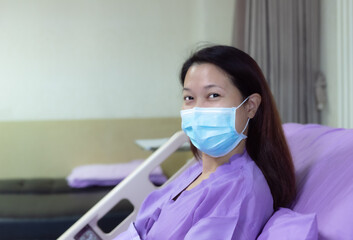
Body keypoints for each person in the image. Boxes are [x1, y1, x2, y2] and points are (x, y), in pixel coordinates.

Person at [115, 45, 296, 239]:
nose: (198, 109)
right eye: (189, 98)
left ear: (250, 106)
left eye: (213, 95)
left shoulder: (238, 193)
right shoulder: (196, 171)